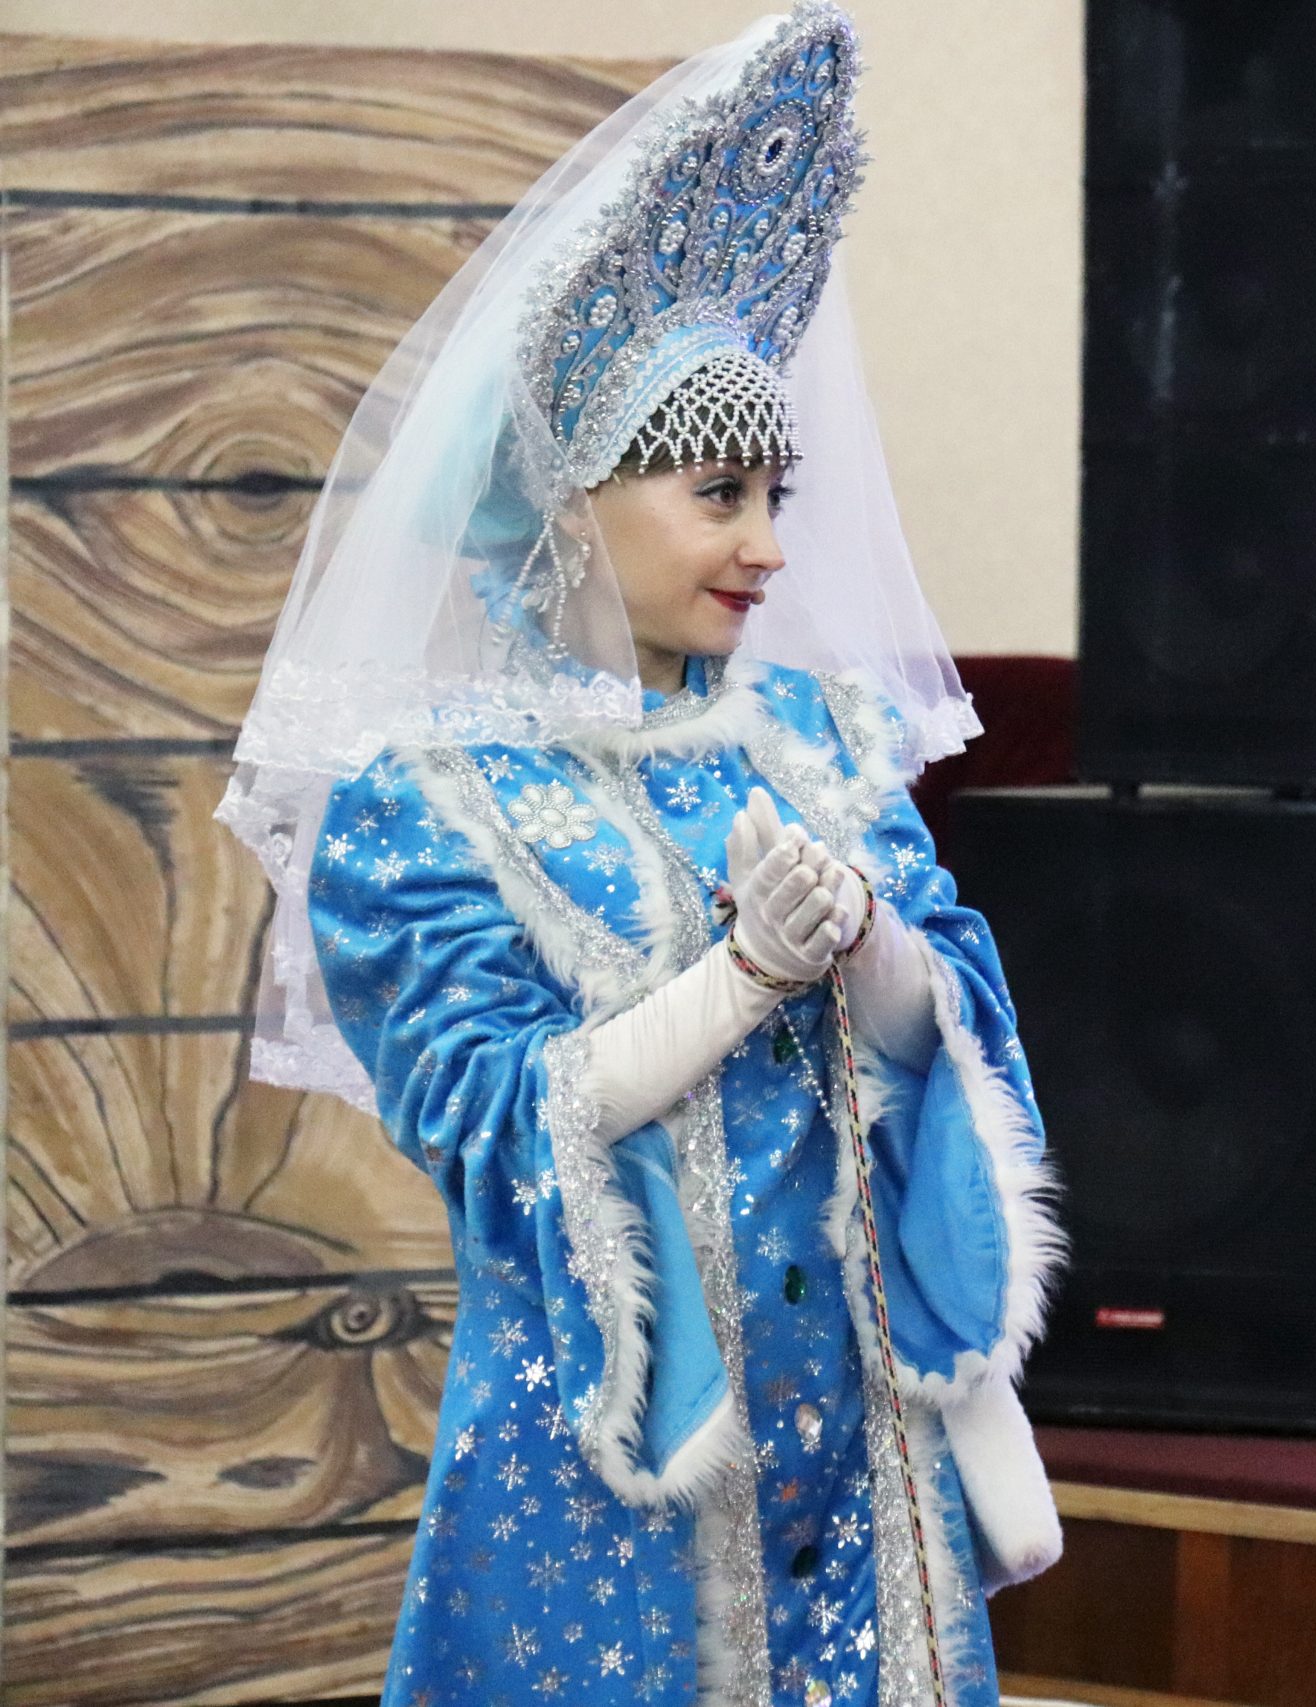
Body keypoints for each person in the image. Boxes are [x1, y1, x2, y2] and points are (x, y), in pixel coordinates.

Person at [216, 9, 1063, 1705]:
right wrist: (744, 975)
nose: (766, 547)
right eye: (715, 493)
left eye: (775, 496)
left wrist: (874, 948)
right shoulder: (432, 799)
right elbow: (493, 1118)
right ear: (570, 495)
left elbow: (958, 1028)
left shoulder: (818, 744)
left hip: (860, 1438)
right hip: (609, 1473)